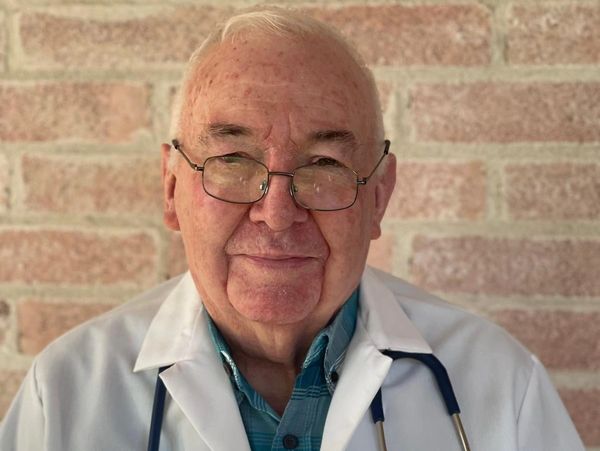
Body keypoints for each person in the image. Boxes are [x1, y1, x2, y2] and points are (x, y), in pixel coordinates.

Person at [0, 8, 584, 451]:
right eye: (232, 160)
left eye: (324, 165)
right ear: (172, 188)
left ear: (378, 196)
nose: (277, 212)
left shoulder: (501, 383)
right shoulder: (67, 393)